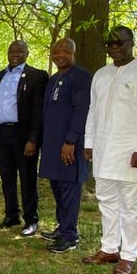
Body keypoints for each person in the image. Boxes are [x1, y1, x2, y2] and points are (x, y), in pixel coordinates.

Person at [82, 26, 137, 274]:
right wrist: (89, 142)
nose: (115, 47)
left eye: (120, 42)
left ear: (131, 43)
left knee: (130, 205)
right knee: (106, 201)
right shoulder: (101, 74)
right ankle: (109, 248)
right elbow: (93, 110)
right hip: (104, 148)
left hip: (130, 150)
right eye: (110, 43)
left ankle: (128, 255)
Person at [0, 40, 48, 237]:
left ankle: (31, 220)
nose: (15, 54)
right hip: (2, 134)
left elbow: (38, 111)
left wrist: (33, 139)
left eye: (20, 51)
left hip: (23, 135)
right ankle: (11, 215)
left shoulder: (37, 76)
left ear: (27, 53)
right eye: (12, 50)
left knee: (27, 178)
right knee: (7, 178)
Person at [38, 39, 91, 253]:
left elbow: (81, 110)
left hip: (69, 145)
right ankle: (62, 227)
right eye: (56, 51)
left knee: (69, 188)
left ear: (74, 53)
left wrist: (71, 140)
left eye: (65, 51)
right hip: (51, 144)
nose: (60, 55)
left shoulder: (80, 77)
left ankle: (70, 236)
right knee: (57, 187)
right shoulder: (54, 79)